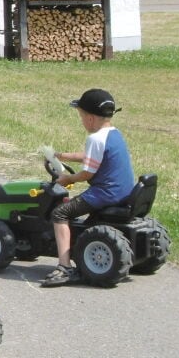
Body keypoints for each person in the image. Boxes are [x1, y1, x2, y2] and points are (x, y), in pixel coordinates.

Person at [42, 88, 135, 287]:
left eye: (82, 117)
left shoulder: (95, 138)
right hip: (123, 191)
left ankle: (65, 267)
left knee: (59, 213)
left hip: (105, 193)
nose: (82, 121)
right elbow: (91, 157)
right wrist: (62, 156)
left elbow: (87, 174)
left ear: (91, 118)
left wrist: (68, 179)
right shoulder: (113, 133)